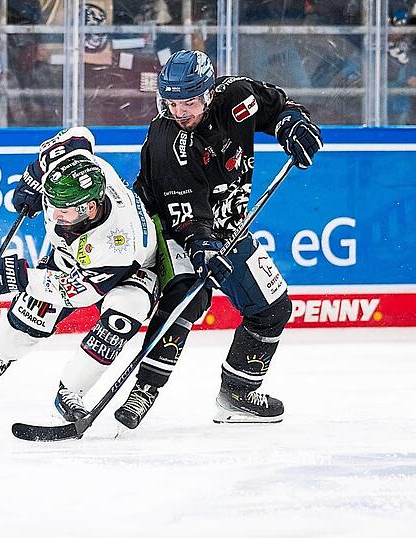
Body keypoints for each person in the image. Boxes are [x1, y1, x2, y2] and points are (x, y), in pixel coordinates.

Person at [113, 49, 322, 430]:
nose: (179, 111)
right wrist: (202, 247)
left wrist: (293, 125)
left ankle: (238, 394)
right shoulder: (165, 139)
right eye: (171, 102)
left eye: (189, 101)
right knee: (189, 297)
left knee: (271, 309)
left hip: (227, 228)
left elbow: (279, 107)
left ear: (209, 94)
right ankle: (143, 388)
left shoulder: (238, 95)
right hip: (168, 228)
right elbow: (186, 215)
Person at [0, 127, 159, 425]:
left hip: (132, 271)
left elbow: (79, 291)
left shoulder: (118, 242)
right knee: (19, 329)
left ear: (90, 207)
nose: (55, 215)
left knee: (122, 315)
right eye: (52, 203)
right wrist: (34, 177)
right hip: (69, 258)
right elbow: (77, 134)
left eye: (64, 209)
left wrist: (16, 276)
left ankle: (72, 391)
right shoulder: (69, 169)